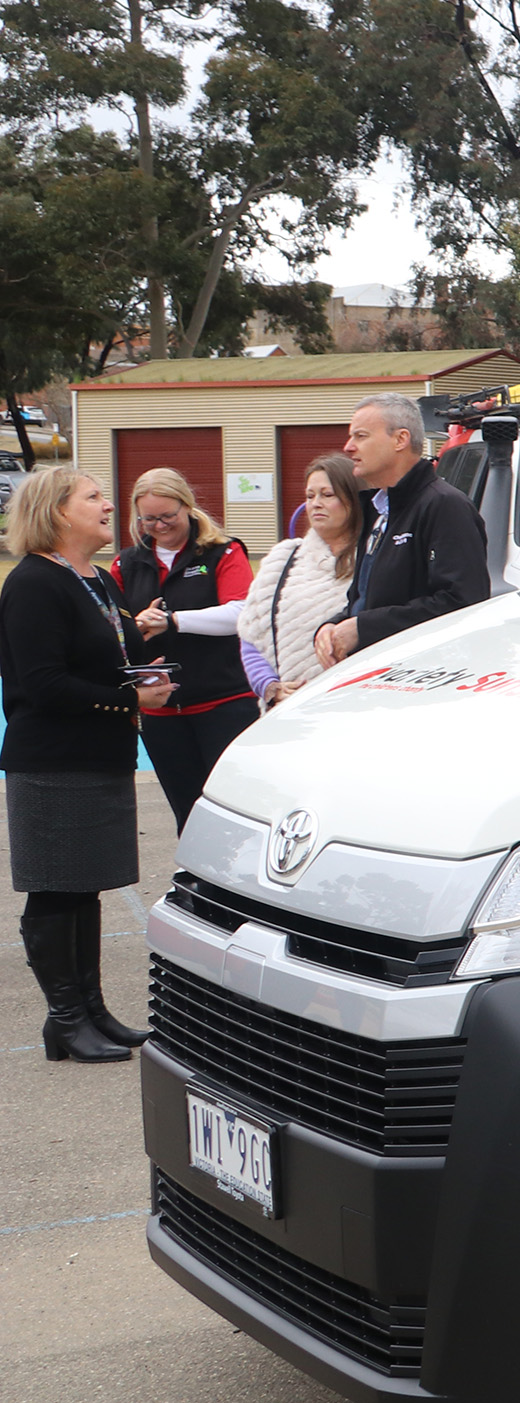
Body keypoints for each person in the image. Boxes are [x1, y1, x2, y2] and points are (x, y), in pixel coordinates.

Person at [1, 467, 151, 1063]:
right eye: (93, 497)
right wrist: (131, 698)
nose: (109, 506)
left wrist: (143, 657)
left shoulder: (98, 580)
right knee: (57, 888)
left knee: (83, 887)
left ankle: (90, 1011)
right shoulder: (35, 583)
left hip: (98, 754)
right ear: (59, 512)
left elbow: (120, 654)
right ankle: (65, 1018)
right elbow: (41, 684)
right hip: (53, 762)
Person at [115, 467, 257, 832]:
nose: (159, 526)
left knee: (235, 813)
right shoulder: (125, 563)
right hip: (162, 714)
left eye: (168, 516)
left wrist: (174, 620)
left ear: (188, 507)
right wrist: (137, 625)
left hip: (224, 703)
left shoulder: (223, 552)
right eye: (149, 519)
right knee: (188, 816)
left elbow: (240, 613)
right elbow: (112, 627)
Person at [316, 392, 489, 668]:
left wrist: (364, 628)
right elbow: (364, 600)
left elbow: (461, 604)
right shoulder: (377, 511)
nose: (348, 447)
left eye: (361, 436)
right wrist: (334, 626)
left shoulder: (445, 507)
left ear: (401, 439)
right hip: (372, 678)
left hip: (422, 683)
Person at [240, 454, 363, 710]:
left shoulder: (377, 558)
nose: (316, 503)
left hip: (355, 705)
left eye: (327, 495)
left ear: (354, 498)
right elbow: (250, 635)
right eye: (310, 496)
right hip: (290, 711)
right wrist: (269, 687)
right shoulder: (283, 558)